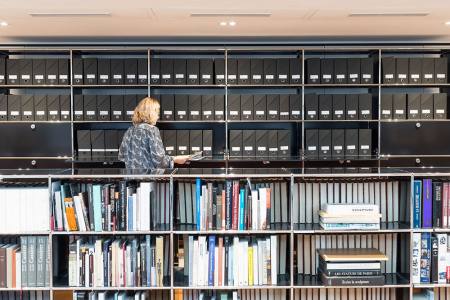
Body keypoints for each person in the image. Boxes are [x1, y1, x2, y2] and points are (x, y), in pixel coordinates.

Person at [119, 97, 190, 169]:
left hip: (130, 177)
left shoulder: (129, 131)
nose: (158, 116)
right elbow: (159, 161)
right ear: (151, 113)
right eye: (157, 112)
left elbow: (121, 156)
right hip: (148, 178)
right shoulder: (152, 130)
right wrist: (175, 159)